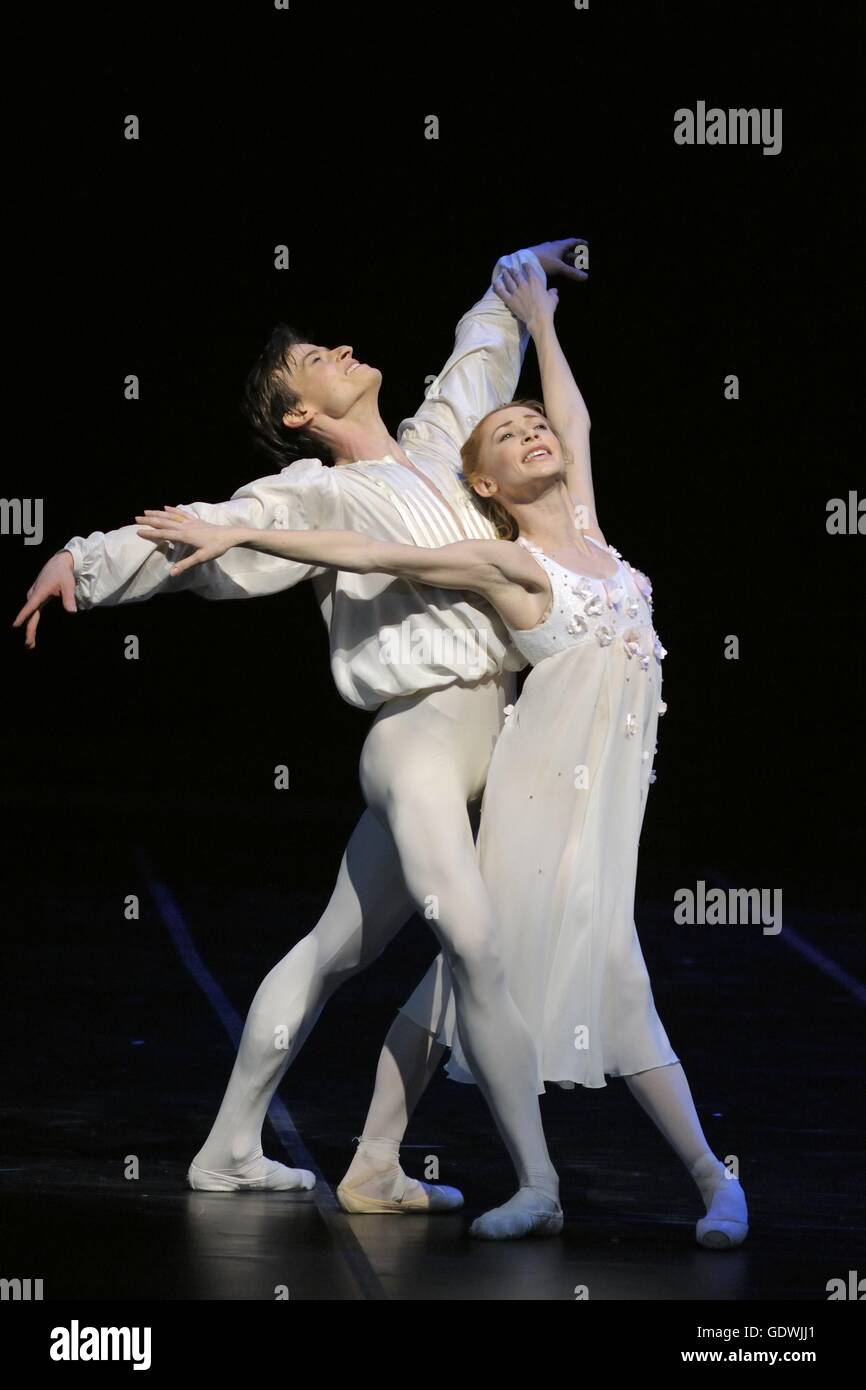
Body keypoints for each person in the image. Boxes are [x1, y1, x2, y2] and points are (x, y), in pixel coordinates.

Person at [135, 261, 749, 1250]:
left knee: (481, 978)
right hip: (515, 791)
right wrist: (243, 528)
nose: (532, 430)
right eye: (508, 433)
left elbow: (571, 416)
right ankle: (640, 1179)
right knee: (476, 975)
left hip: (592, 807)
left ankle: (382, 1158)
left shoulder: (586, 525)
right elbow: (377, 558)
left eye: (531, 423)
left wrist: (542, 320)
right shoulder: (508, 563)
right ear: (485, 484)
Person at [14, 241, 591, 1240]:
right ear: (298, 416)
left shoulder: (446, 437)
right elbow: (202, 531)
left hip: (493, 730)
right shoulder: (316, 492)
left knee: (333, 948)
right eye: (317, 357)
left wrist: (526, 264)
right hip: (419, 734)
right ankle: (535, 1180)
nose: (341, 348)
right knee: (473, 943)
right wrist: (82, 558)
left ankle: (240, 1148)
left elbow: (481, 341)